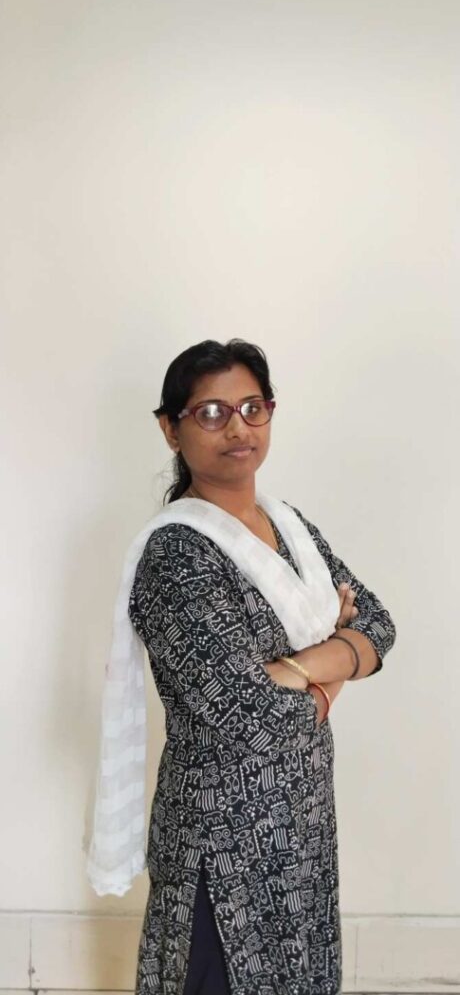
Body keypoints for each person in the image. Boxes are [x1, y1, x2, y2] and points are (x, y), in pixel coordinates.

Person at [127, 338, 396, 995]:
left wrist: (298, 671)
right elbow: (245, 714)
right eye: (212, 412)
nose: (238, 427)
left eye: (253, 407)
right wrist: (336, 666)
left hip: (300, 820)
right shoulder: (178, 556)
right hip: (221, 835)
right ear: (171, 428)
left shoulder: (289, 526)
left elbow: (380, 624)